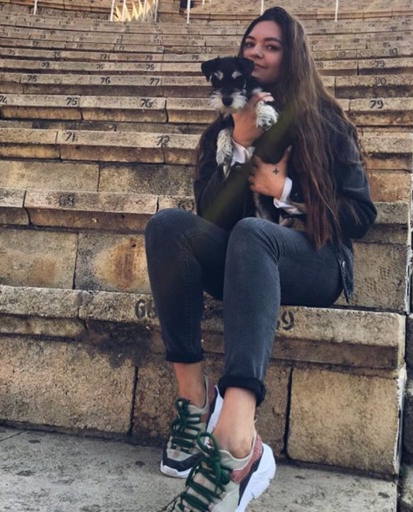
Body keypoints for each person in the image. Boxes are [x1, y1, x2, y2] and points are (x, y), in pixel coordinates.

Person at [145, 6, 377, 511]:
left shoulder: (326, 121)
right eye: (250, 44)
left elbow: (361, 214)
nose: (256, 53)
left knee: (254, 233)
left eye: (271, 46)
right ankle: (194, 401)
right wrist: (241, 145)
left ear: (292, 56)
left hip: (316, 260)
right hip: (246, 262)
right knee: (168, 227)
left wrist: (285, 191)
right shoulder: (225, 129)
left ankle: (237, 443)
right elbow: (209, 214)